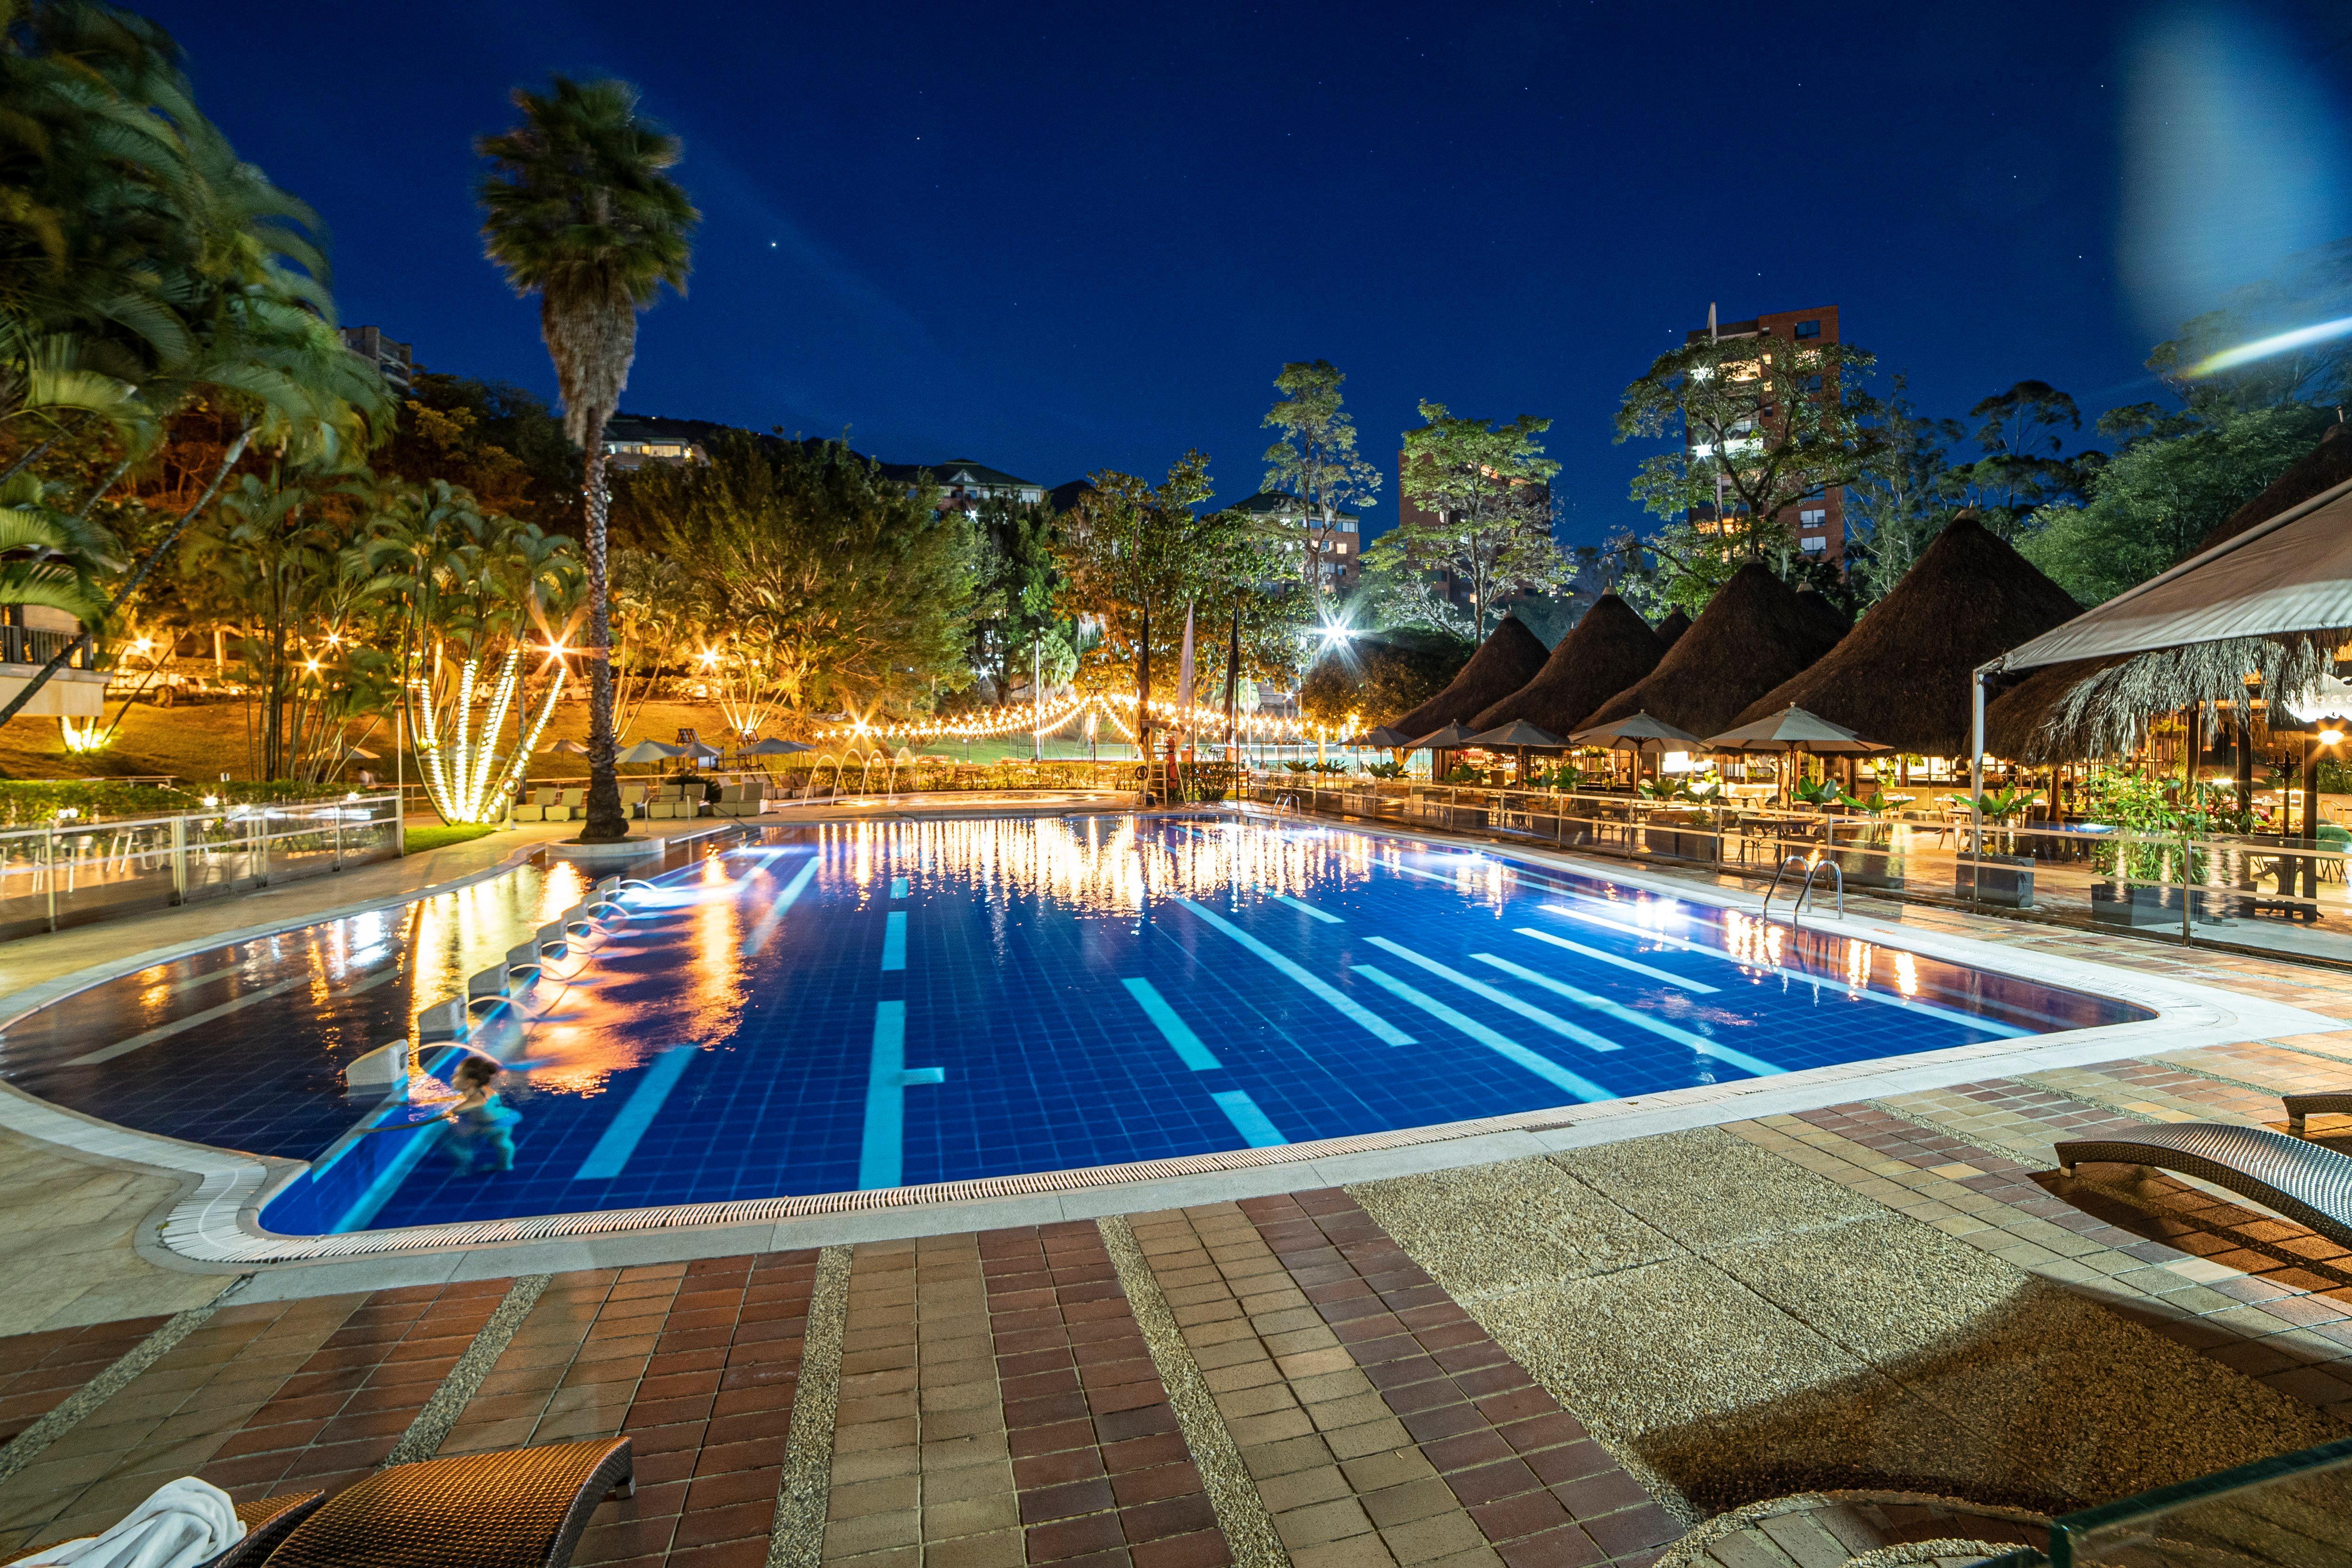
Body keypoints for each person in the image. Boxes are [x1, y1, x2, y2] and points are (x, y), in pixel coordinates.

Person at [441, 1055, 517, 1174]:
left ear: (469, 1082)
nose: (452, 1077)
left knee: (451, 1141)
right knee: (503, 1143)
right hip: (505, 1119)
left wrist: (444, 1113)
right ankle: (505, 1165)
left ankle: (464, 1165)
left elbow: (451, 1112)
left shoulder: (476, 1100)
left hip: (487, 1126)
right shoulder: (485, 1089)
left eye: (456, 1075)